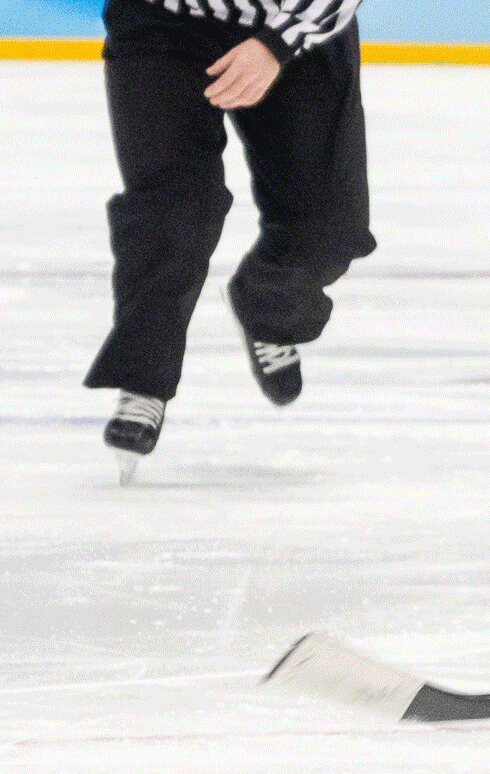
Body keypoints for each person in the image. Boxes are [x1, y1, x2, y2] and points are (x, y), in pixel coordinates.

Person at [85, 0, 375, 483]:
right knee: (172, 212)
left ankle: (270, 306)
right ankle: (142, 380)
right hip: (162, 25)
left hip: (296, 30)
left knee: (327, 229)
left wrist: (279, 42)